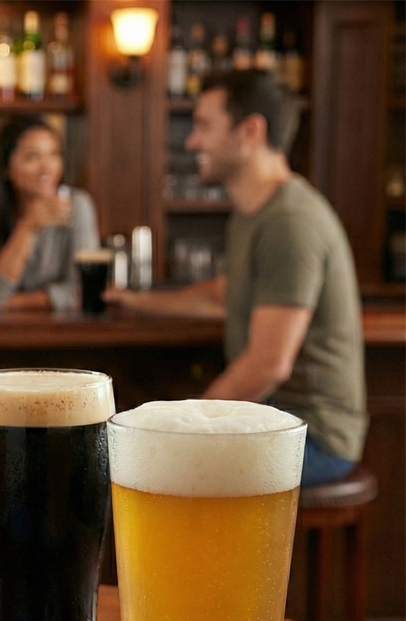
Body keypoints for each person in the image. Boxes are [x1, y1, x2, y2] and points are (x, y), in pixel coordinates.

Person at [106, 70, 366, 487]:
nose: (192, 142)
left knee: (152, 468)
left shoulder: (289, 221)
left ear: (250, 131)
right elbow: (223, 295)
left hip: (312, 436)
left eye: (204, 125)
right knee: (139, 462)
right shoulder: (255, 212)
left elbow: (268, 364)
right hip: (275, 419)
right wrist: (135, 301)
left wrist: (184, 429)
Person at [0, 115, 100, 313]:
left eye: (54, 155)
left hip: (65, 334)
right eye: (32, 157)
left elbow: (85, 290)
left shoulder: (78, 206)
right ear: (6, 168)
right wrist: (28, 226)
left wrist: (15, 302)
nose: (47, 168)